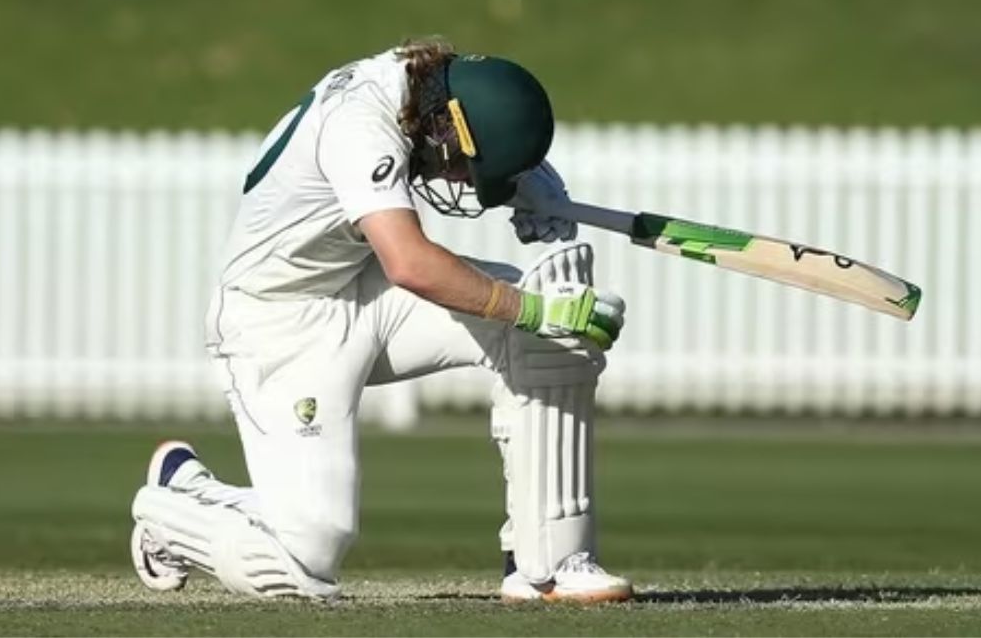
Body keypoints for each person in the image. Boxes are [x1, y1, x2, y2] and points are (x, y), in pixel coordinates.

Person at [129, 37, 632, 603]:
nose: (464, 182)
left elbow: (477, 104)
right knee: (302, 559)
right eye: (467, 168)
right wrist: (531, 310)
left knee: (549, 338)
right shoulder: (360, 126)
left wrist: (532, 181)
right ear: (447, 125)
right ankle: (175, 500)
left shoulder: (428, 86)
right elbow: (411, 262)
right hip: (279, 324)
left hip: (366, 287)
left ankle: (548, 564)